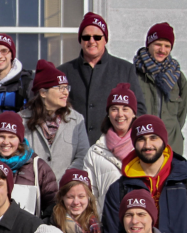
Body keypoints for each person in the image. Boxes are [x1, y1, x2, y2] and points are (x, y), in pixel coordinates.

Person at [58, 12, 146, 143]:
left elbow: (139, 110)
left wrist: (123, 138)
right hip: (73, 147)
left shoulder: (125, 69)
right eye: (86, 37)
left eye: (97, 37)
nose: (91, 41)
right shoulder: (63, 72)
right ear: (80, 40)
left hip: (112, 148)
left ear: (105, 39)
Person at [20, 59, 89, 178]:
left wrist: (66, 179)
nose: (66, 93)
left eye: (66, 88)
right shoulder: (21, 120)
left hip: (64, 190)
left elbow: (83, 155)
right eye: (60, 88)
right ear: (43, 93)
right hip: (32, 189)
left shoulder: (77, 119)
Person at [0, 111, 57, 219]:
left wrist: (40, 226)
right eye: (1, 136)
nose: (6, 142)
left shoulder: (38, 167)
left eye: (12, 137)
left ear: (20, 139)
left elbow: (53, 205)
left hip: (27, 232)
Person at [133, 23, 187, 153]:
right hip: (141, 146)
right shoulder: (133, 74)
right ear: (149, 44)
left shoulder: (177, 77)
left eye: (167, 46)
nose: (162, 50)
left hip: (171, 146)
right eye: (158, 44)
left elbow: (181, 114)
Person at [83, 83, 137, 203]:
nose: (120, 114)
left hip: (138, 219)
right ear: (108, 113)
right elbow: (90, 196)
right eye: (114, 109)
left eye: (125, 109)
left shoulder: (144, 149)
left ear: (133, 113)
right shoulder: (95, 152)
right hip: (107, 219)